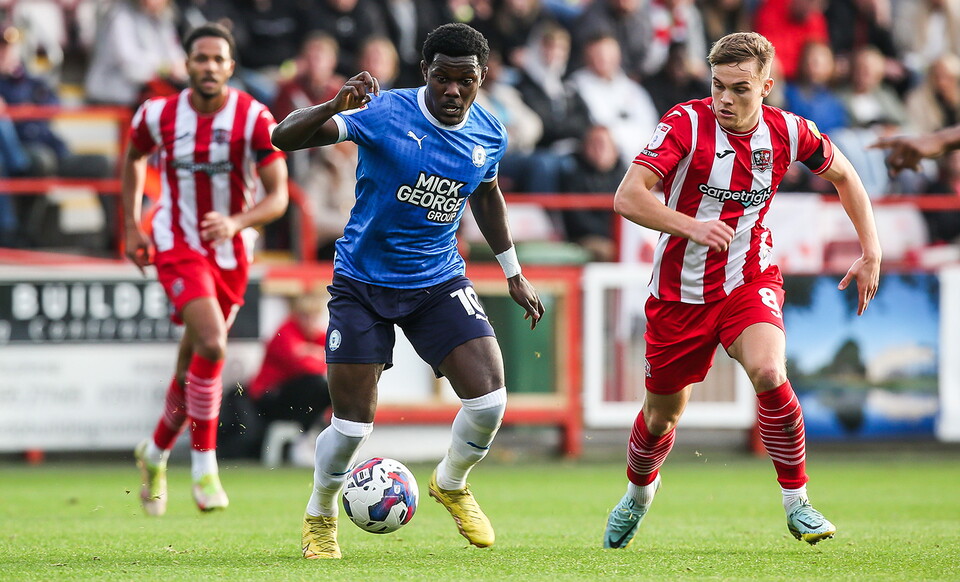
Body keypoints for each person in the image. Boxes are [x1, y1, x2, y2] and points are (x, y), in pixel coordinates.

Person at [271, 22, 544, 559]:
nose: (452, 91)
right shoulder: (384, 112)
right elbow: (283, 138)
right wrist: (332, 105)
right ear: (426, 73)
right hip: (362, 283)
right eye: (442, 78)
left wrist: (512, 270)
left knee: (489, 400)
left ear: (481, 78)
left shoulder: (489, 131)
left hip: (436, 280)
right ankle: (320, 513)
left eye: (465, 80)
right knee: (351, 427)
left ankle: (452, 482)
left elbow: (486, 195)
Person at [604, 31, 881, 550]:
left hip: (747, 280)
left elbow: (846, 176)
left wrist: (871, 250)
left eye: (740, 89)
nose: (725, 100)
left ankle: (797, 501)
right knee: (662, 415)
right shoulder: (685, 123)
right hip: (678, 294)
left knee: (770, 371)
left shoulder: (790, 132)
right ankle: (639, 495)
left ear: (766, 87)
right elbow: (628, 197)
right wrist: (690, 226)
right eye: (717, 87)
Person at [122, 22, 289, 516]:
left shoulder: (254, 117)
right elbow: (133, 156)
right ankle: (204, 466)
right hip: (177, 244)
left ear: (230, 68)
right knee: (214, 344)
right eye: (201, 58)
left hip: (232, 254)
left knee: (191, 365)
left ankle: (152, 453)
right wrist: (133, 226)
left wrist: (237, 220)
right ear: (187, 64)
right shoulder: (158, 114)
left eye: (218, 59)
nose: (209, 67)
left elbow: (278, 195)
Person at [248, 292, 332, 438]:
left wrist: (308, 352)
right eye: (305, 316)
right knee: (314, 384)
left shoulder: (318, 336)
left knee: (330, 389)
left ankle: (311, 435)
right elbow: (302, 365)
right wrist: (317, 354)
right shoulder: (286, 331)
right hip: (268, 395)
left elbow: (329, 364)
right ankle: (304, 437)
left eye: (314, 316)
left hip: (292, 394)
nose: (310, 321)